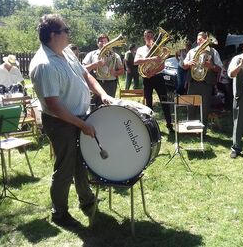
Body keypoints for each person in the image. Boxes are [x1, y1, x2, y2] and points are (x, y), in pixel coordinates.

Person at [29, 14, 114, 227]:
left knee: (81, 161)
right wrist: (82, 125)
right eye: (65, 30)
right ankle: (59, 213)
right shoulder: (44, 64)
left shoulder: (66, 52)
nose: (69, 33)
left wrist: (103, 94)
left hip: (78, 117)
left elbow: (86, 75)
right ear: (53, 35)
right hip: (61, 122)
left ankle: (86, 200)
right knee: (65, 168)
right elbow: (55, 106)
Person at [182, 31, 223, 135]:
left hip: (206, 84)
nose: (199, 41)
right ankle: (190, 130)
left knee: (204, 109)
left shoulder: (213, 52)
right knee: (190, 106)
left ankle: (202, 132)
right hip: (193, 82)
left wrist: (212, 66)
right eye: (198, 39)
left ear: (206, 40)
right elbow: (183, 65)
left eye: (201, 39)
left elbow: (219, 68)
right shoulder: (192, 51)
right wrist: (188, 64)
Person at [134, 29, 174, 133]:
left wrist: (154, 71)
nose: (149, 38)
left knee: (164, 101)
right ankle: (151, 127)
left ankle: (169, 124)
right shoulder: (140, 49)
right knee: (149, 102)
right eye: (147, 36)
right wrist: (151, 59)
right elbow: (136, 61)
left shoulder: (158, 49)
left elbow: (162, 65)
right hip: (146, 79)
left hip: (158, 77)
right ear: (144, 38)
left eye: (151, 37)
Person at [82, 34, 124, 106]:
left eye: (105, 41)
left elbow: (122, 71)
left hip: (110, 84)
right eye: (101, 41)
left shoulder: (115, 55)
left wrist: (115, 73)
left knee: (108, 106)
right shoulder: (91, 54)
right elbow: (83, 69)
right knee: (94, 105)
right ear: (97, 43)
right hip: (95, 83)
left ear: (109, 43)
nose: (103, 43)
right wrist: (95, 64)